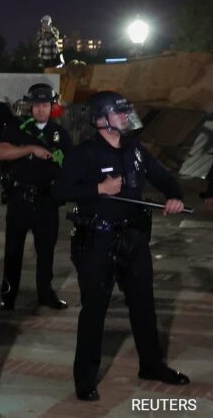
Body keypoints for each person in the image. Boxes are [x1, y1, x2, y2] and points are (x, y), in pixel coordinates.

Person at [53, 91, 190, 401]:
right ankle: (85, 380)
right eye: (120, 112)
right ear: (102, 119)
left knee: (144, 305)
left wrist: (175, 196)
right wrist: (98, 188)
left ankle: (152, 365)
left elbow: (165, 179)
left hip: (134, 240)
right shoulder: (85, 153)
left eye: (127, 112)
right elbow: (59, 190)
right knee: (94, 310)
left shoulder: (136, 151)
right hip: (97, 241)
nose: (127, 117)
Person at [0, 84, 71, 311]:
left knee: (46, 251)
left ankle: (45, 293)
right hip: (20, 197)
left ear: (52, 107)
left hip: (47, 200)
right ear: (31, 106)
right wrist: (30, 149)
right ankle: (8, 296)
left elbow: (71, 164)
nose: (41, 110)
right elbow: (2, 152)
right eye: (37, 105)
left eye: (45, 105)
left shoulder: (59, 133)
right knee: (13, 251)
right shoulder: (18, 127)